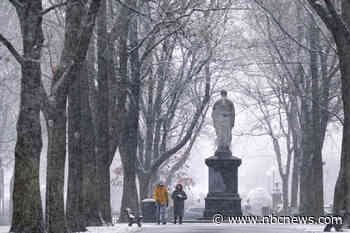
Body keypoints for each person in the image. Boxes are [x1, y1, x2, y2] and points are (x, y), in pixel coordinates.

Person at [212, 90, 235, 154]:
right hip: (219, 120)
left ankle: (226, 146)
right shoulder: (217, 103)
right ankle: (220, 146)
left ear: (226, 95)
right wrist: (215, 122)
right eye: (222, 94)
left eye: (224, 94)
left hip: (227, 120)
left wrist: (232, 122)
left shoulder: (230, 103)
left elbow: (233, 113)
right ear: (221, 94)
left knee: (227, 134)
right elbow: (214, 113)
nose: (223, 95)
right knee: (220, 133)